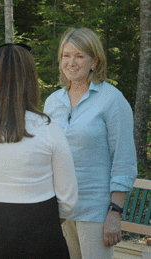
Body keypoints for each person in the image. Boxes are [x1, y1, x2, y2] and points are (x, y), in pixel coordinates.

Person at [0, 43, 78, 259]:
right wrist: (44, 220)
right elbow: (67, 199)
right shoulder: (47, 128)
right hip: (37, 225)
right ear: (30, 80)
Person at [43, 27, 138, 259]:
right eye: (66, 55)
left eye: (79, 56)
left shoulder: (112, 99)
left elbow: (123, 159)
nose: (71, 62)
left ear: (95, 61)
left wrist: (115, 212)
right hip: (60, 210)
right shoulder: (53, 101)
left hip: (96, 211)